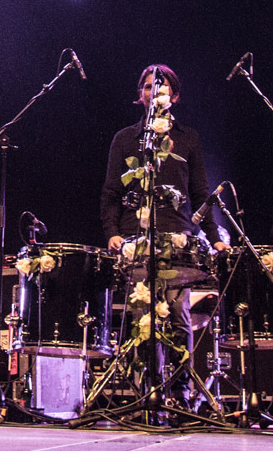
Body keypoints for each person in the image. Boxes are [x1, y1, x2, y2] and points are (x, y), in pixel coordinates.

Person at [100, 64, 228, 372]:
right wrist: (112, 232)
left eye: (162, 87)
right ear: (140, 95)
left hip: (178, 239)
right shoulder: (125, 139)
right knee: (142, 316)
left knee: (175, 313)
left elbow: (201, 194)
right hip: (136, 238)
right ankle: (149, 391)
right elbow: (110, 193)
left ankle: (180, 389)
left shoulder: (188, 139)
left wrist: (214, 239)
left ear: (175, 96)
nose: (155, 91)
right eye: (147, 86)